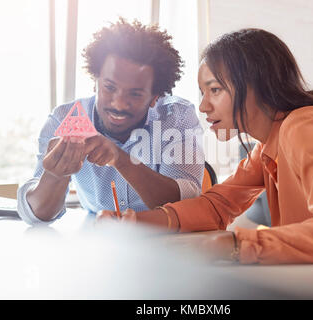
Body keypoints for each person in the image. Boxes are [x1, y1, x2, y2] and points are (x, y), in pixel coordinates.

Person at [99, 28, 313, 264]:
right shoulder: (267, 148)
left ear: (256, 87)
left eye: (215, 90)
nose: (203, 106)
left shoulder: (304, 127)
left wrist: (234, 245)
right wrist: (135, 221)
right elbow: (216, 206)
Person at [17, 19, 204, 225]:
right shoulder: (64, 119)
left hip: (164, 238)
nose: (119, 104)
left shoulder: (177, 118)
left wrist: (120, 159)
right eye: (109, 87)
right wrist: (54, 175)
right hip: (98, 238)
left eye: (135, 94)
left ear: (155, 97)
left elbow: (186, 203)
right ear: (95, 83)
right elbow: (37, 215)